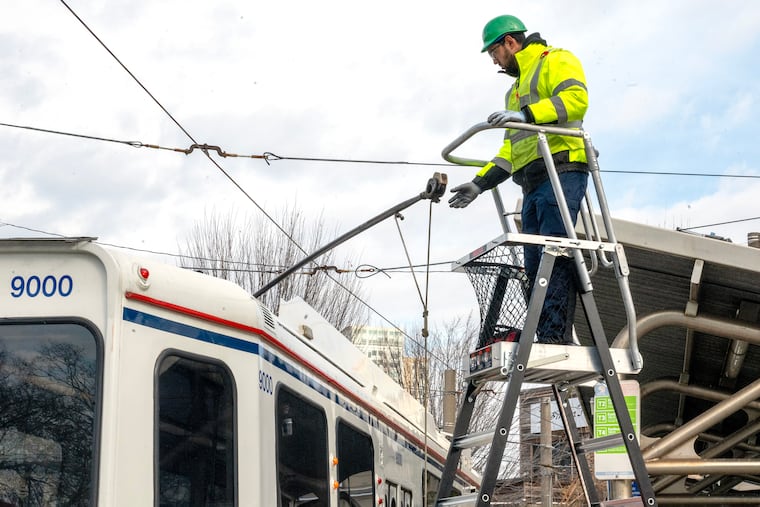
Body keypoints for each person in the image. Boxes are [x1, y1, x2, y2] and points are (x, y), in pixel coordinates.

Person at [448, 14, 589, 345]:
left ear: (509, 43)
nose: (494, 61)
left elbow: (576, 101)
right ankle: (545, 333)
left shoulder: (556, 59)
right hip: (533, 184)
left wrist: (527, 115)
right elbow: (511, 150)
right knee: (533, 266)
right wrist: (479, 184)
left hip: (563, 169)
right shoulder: (512, 94)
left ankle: (554, 338)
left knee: (555, 255)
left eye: (493, 53)